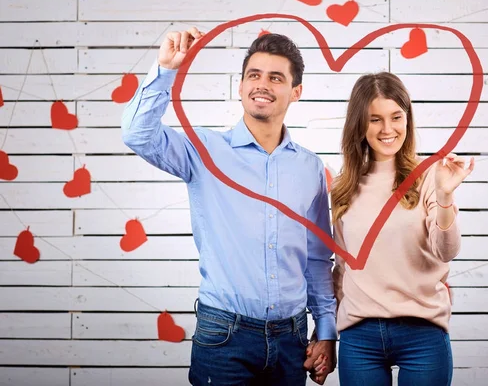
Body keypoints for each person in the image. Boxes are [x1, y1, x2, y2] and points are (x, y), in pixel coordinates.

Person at [121, 29, 336, 385]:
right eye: (254, 75)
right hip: (225, 335)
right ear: (240, 87)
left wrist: (326, 329)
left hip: (292, 340)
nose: (261, 84)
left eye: (275, 77)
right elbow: (136, 134)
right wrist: (166, 70)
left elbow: (315, 257)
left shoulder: (309, 167)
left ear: (296, 92)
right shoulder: (203, 150)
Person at [315, 72, 474, 385]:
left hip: (422, 335)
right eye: (375, 119)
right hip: (359, 339)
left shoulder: (431, 177)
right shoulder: (345, 187)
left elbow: (447, 250)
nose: (388, 129)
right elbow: (342, 269)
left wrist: (445, 196)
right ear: (359, 124)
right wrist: (325, 337)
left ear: (408, 119)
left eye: (396, 117)